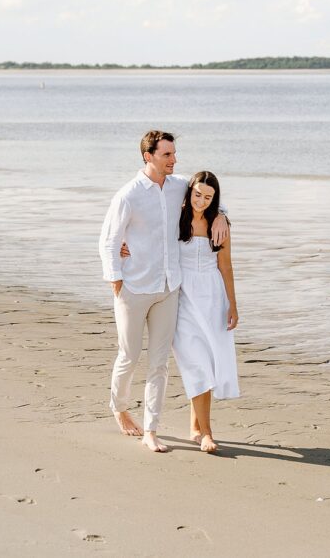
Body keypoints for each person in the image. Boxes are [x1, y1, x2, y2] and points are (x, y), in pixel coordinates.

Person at [98, 130, 228, 452]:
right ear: (149, 156)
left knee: (159, 363)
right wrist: (116, 278)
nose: (174, 160)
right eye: (167, 155)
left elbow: (206, 194)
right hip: (134, 288)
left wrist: (222, 215)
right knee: (129, 355)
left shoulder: (179, 186)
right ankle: (120, 408)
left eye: (174, 154)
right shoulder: (128, 195)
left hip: (170, 288)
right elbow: (109, 241)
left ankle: (151, 430)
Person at [168, 171, 239, 452]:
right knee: (195, 361)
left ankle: (195, 428)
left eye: (208, 197)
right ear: (189, 192)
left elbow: (226, 266)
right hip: (183, 296)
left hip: (213, 297)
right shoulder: (177, 218)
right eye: (197, 194)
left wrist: (233, 304)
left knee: (208, 362)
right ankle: (207, 434)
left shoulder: (219, 225)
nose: (201, 201)